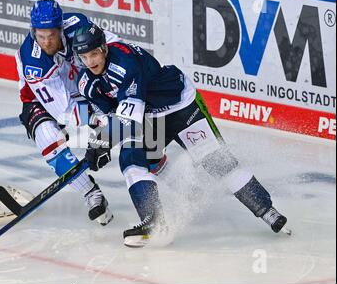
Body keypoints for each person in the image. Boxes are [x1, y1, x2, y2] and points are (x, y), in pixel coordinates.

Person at [72, 23, 289, 247]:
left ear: (104, 49)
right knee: (132, 158)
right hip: (152, 118)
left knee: (217, 161)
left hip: (182, 106)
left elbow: (128, 121)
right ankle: (154, 221)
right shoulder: (87, 82)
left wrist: (103, 143)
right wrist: (97, 143)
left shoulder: (125, 63)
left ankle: (266, 210)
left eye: (94, 54)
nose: (91, 62)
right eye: (84, 57)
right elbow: (109, 117)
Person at [15, 0, 124, 225]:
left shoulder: (78, 26)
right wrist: (101, 127)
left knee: (136, 128)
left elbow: (112, 46)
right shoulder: (33, 60)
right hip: (40, 100)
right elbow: (65, 112)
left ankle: (161, 167)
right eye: (41, 35)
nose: (46, 42)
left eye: (51, 35)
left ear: (61, 29)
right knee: (48, 138)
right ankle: (91, 194)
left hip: (83, 88)